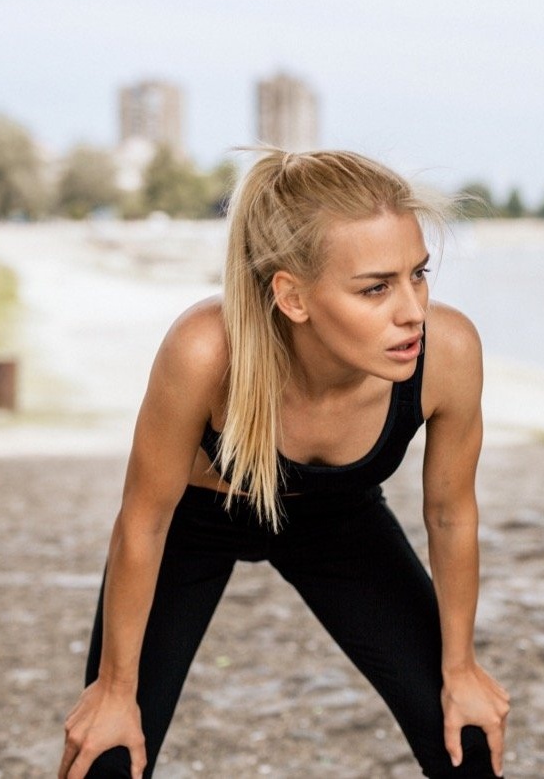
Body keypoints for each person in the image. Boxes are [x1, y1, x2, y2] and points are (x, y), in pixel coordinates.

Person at [58, 150, 509, 779]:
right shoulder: (205, 351)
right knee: (104, 758)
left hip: (340, 526)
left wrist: (460, 668)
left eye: (419, 274)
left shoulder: (449, 352)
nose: (412, 311)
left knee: (468, 742)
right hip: (195, 524)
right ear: (292, 297)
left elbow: (450, 513)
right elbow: (144, 521)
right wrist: (113, 688)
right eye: (376, 287)